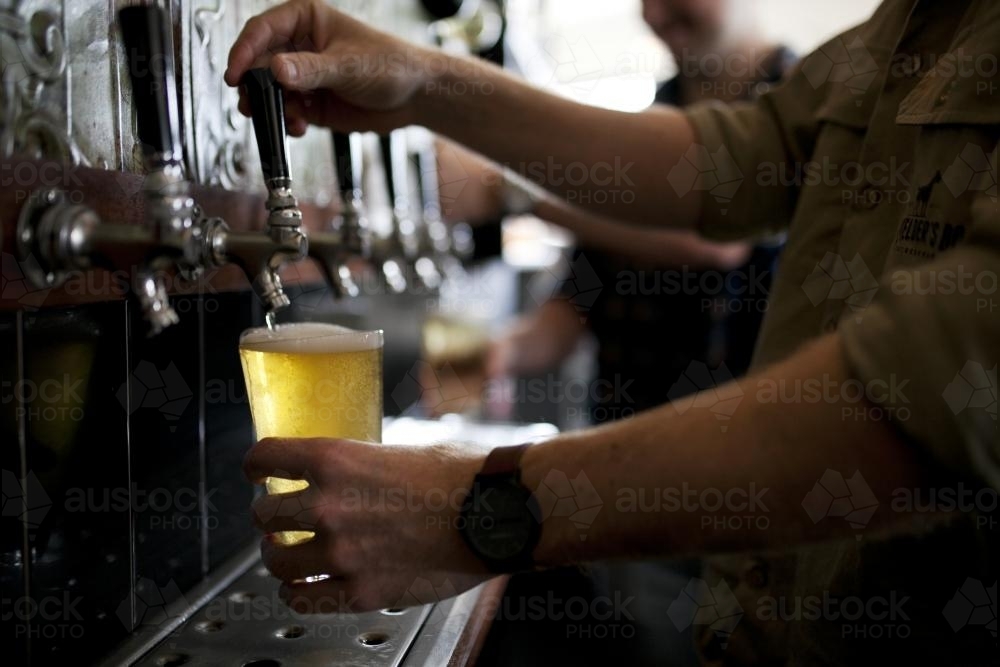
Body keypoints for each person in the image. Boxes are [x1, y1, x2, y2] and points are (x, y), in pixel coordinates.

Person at [226, 0, 998, 664]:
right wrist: (428, 81)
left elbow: (941, 392)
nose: (654, 11)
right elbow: (725, 162)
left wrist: (473, 507)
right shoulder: (914, 26)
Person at [438, 0, 794, 425]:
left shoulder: (800, 107)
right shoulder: (653, 117)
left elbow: (717, 240)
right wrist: (506, 351)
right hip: (621, 447)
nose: (655, 16)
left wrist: (512, 196)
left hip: (740, 452)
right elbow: (582, 292)